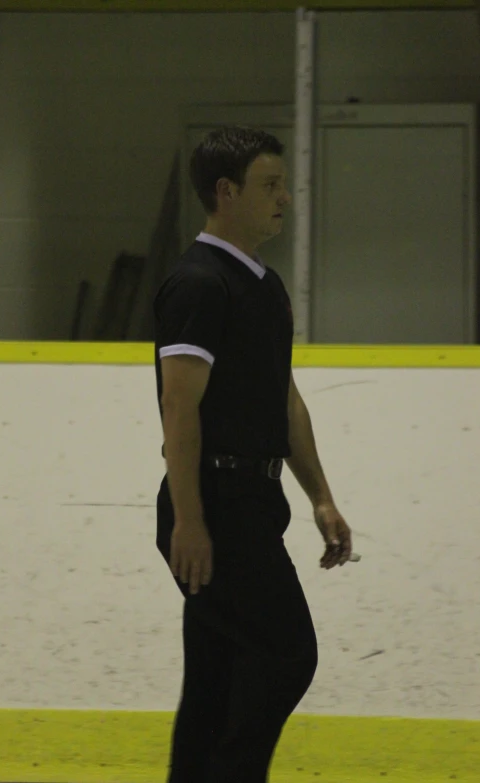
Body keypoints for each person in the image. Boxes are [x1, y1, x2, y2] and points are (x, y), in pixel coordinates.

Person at [153, 125, 353, 783]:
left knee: (218, 671)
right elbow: (179, 410)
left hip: (251, 500)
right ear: (224, 191)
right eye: (269, 185)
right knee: (286, 652)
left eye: (282, 185)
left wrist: (319, 494)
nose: (285, 198)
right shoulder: (199, 283)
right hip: (211, 501)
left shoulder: (262, 286)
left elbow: (284, 398)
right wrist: (190, 518)